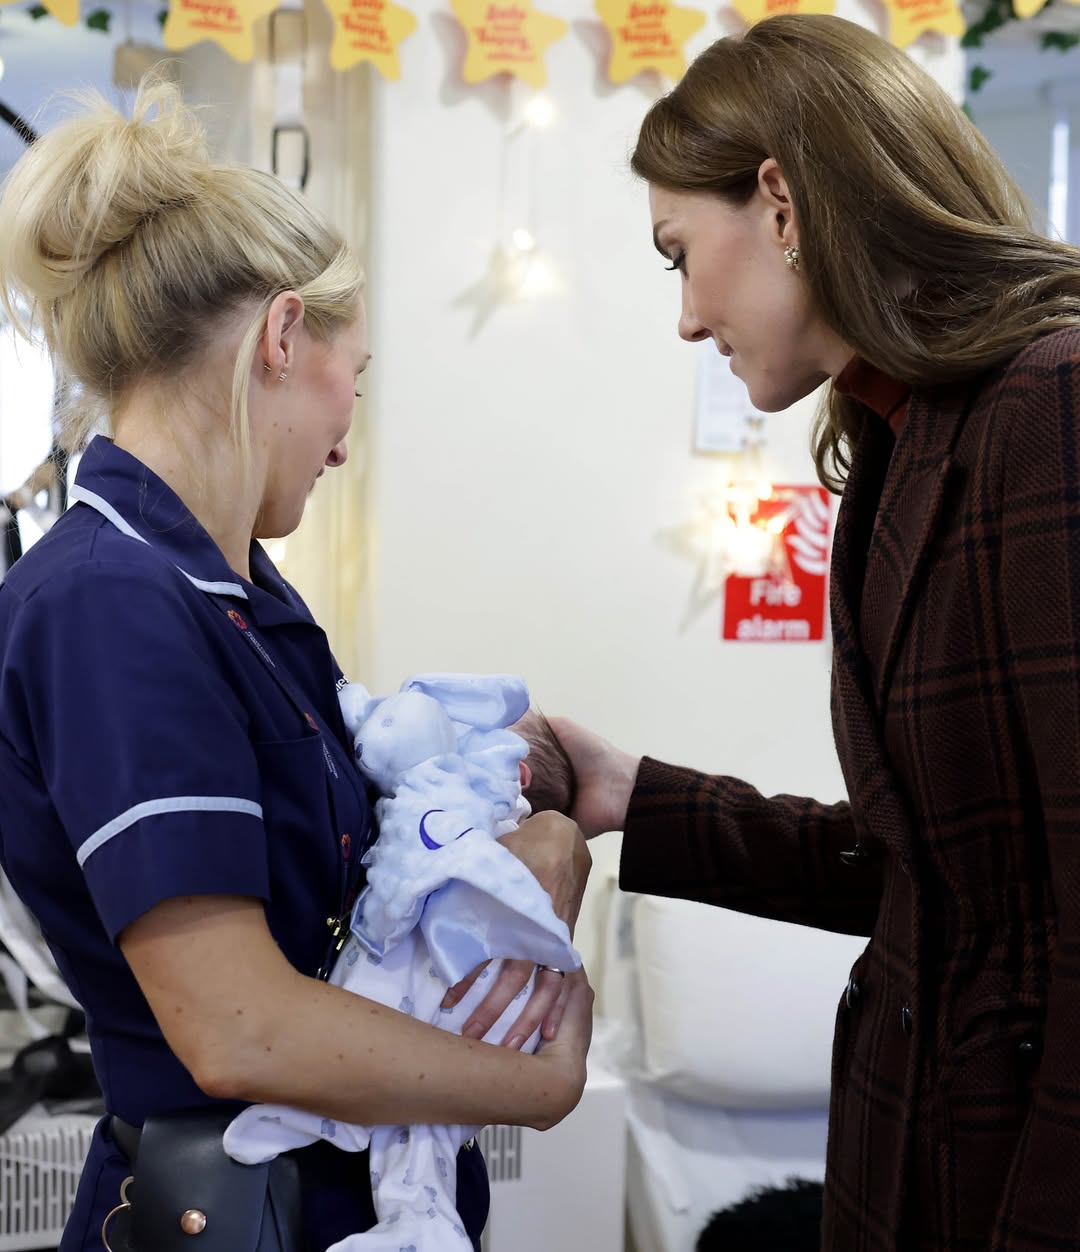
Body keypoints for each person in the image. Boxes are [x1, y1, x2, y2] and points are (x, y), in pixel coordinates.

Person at [485, 14, 1079, 1252]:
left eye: (676, 254)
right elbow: (931, 879)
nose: (689, 319)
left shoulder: (1051, 405)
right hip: (905, 1158)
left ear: (783, 203)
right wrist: (634, 794)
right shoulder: (898, 452)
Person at [0, 80, 592, 1252]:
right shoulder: (109, 605)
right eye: (353, 379)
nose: (346, 433)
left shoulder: (237, 594)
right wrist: (538, 1082)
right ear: (281, 335)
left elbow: (339, 900)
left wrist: (532, 836)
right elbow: (240, 1029)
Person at [225, 672, 581, 1251]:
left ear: (516, 773)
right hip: (366, 1075)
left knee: (421, 1131)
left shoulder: (478, 835)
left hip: (423, 1026)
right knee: (420, 1134)